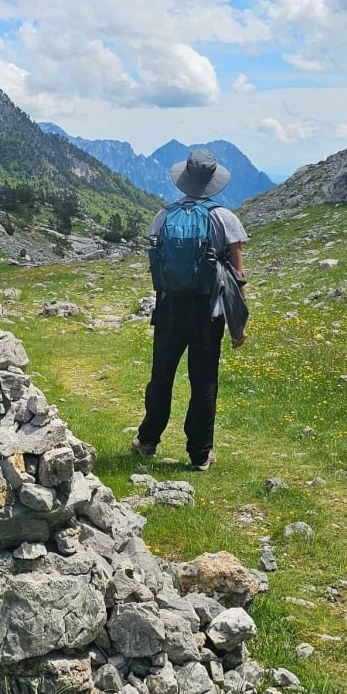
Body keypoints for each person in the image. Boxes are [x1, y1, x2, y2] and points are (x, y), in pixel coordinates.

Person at [133, 148, 249, 471]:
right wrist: (238, 326)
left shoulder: (163, 216)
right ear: (213, 182)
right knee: (204, 381)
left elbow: (156, 264)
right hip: (207, 312)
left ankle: (147, 441)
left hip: (169, 308)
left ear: (184, 180)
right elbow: (238, 277)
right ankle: (199, 454)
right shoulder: (225, 218)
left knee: (161, 377)